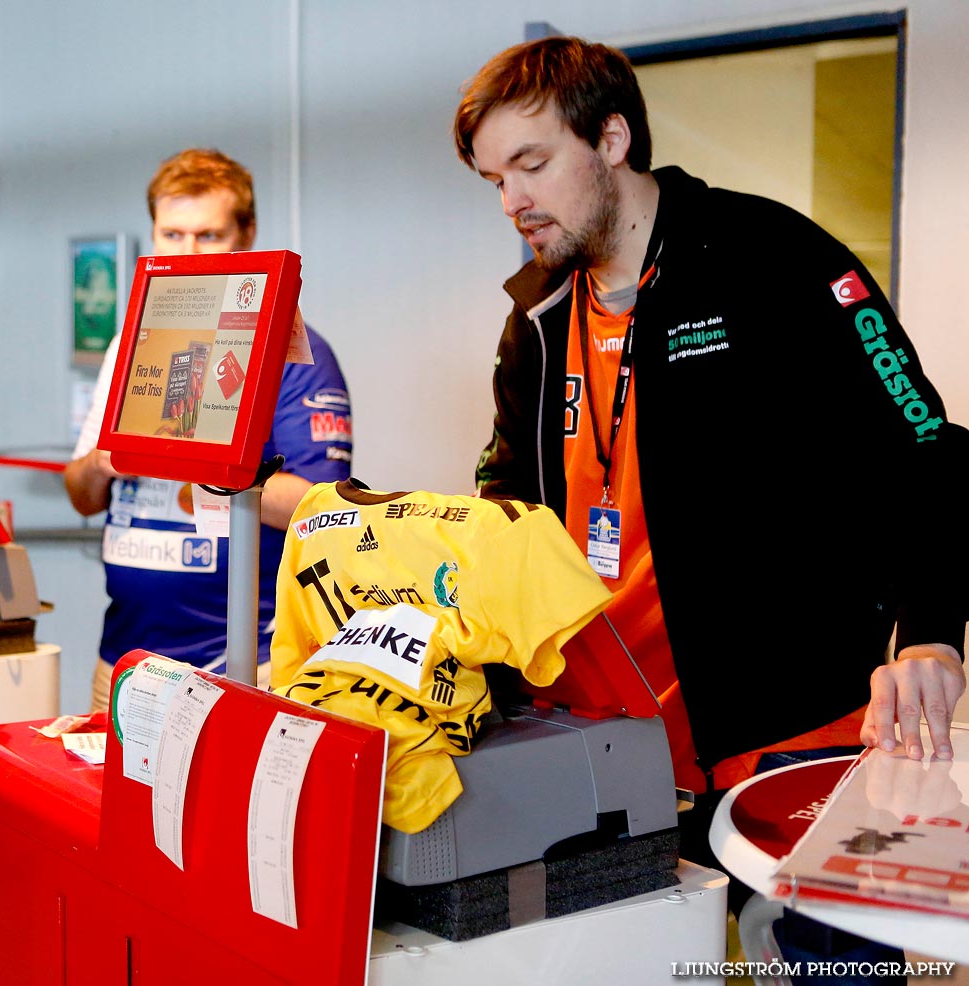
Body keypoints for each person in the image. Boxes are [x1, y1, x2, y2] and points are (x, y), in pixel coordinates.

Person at [456, 35, 967, 975]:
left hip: (797, 753)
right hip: (611, 762)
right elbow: (506, 501)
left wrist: (931, 632)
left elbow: (927, 451)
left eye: (531, 164)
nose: (512, 201)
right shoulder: (534, 315)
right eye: (494, 178)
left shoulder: (771, 259)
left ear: (611, 138)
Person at [65, 148, 355, 711]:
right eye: (172, 235)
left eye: (208, 235)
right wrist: (102, 461)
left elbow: (324, 510)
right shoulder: (131, 342)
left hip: (246, 662)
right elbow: (80, 494)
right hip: (123, 659)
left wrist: (209, 463)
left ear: (247, 235)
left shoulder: (300, 353)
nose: (189, 253)